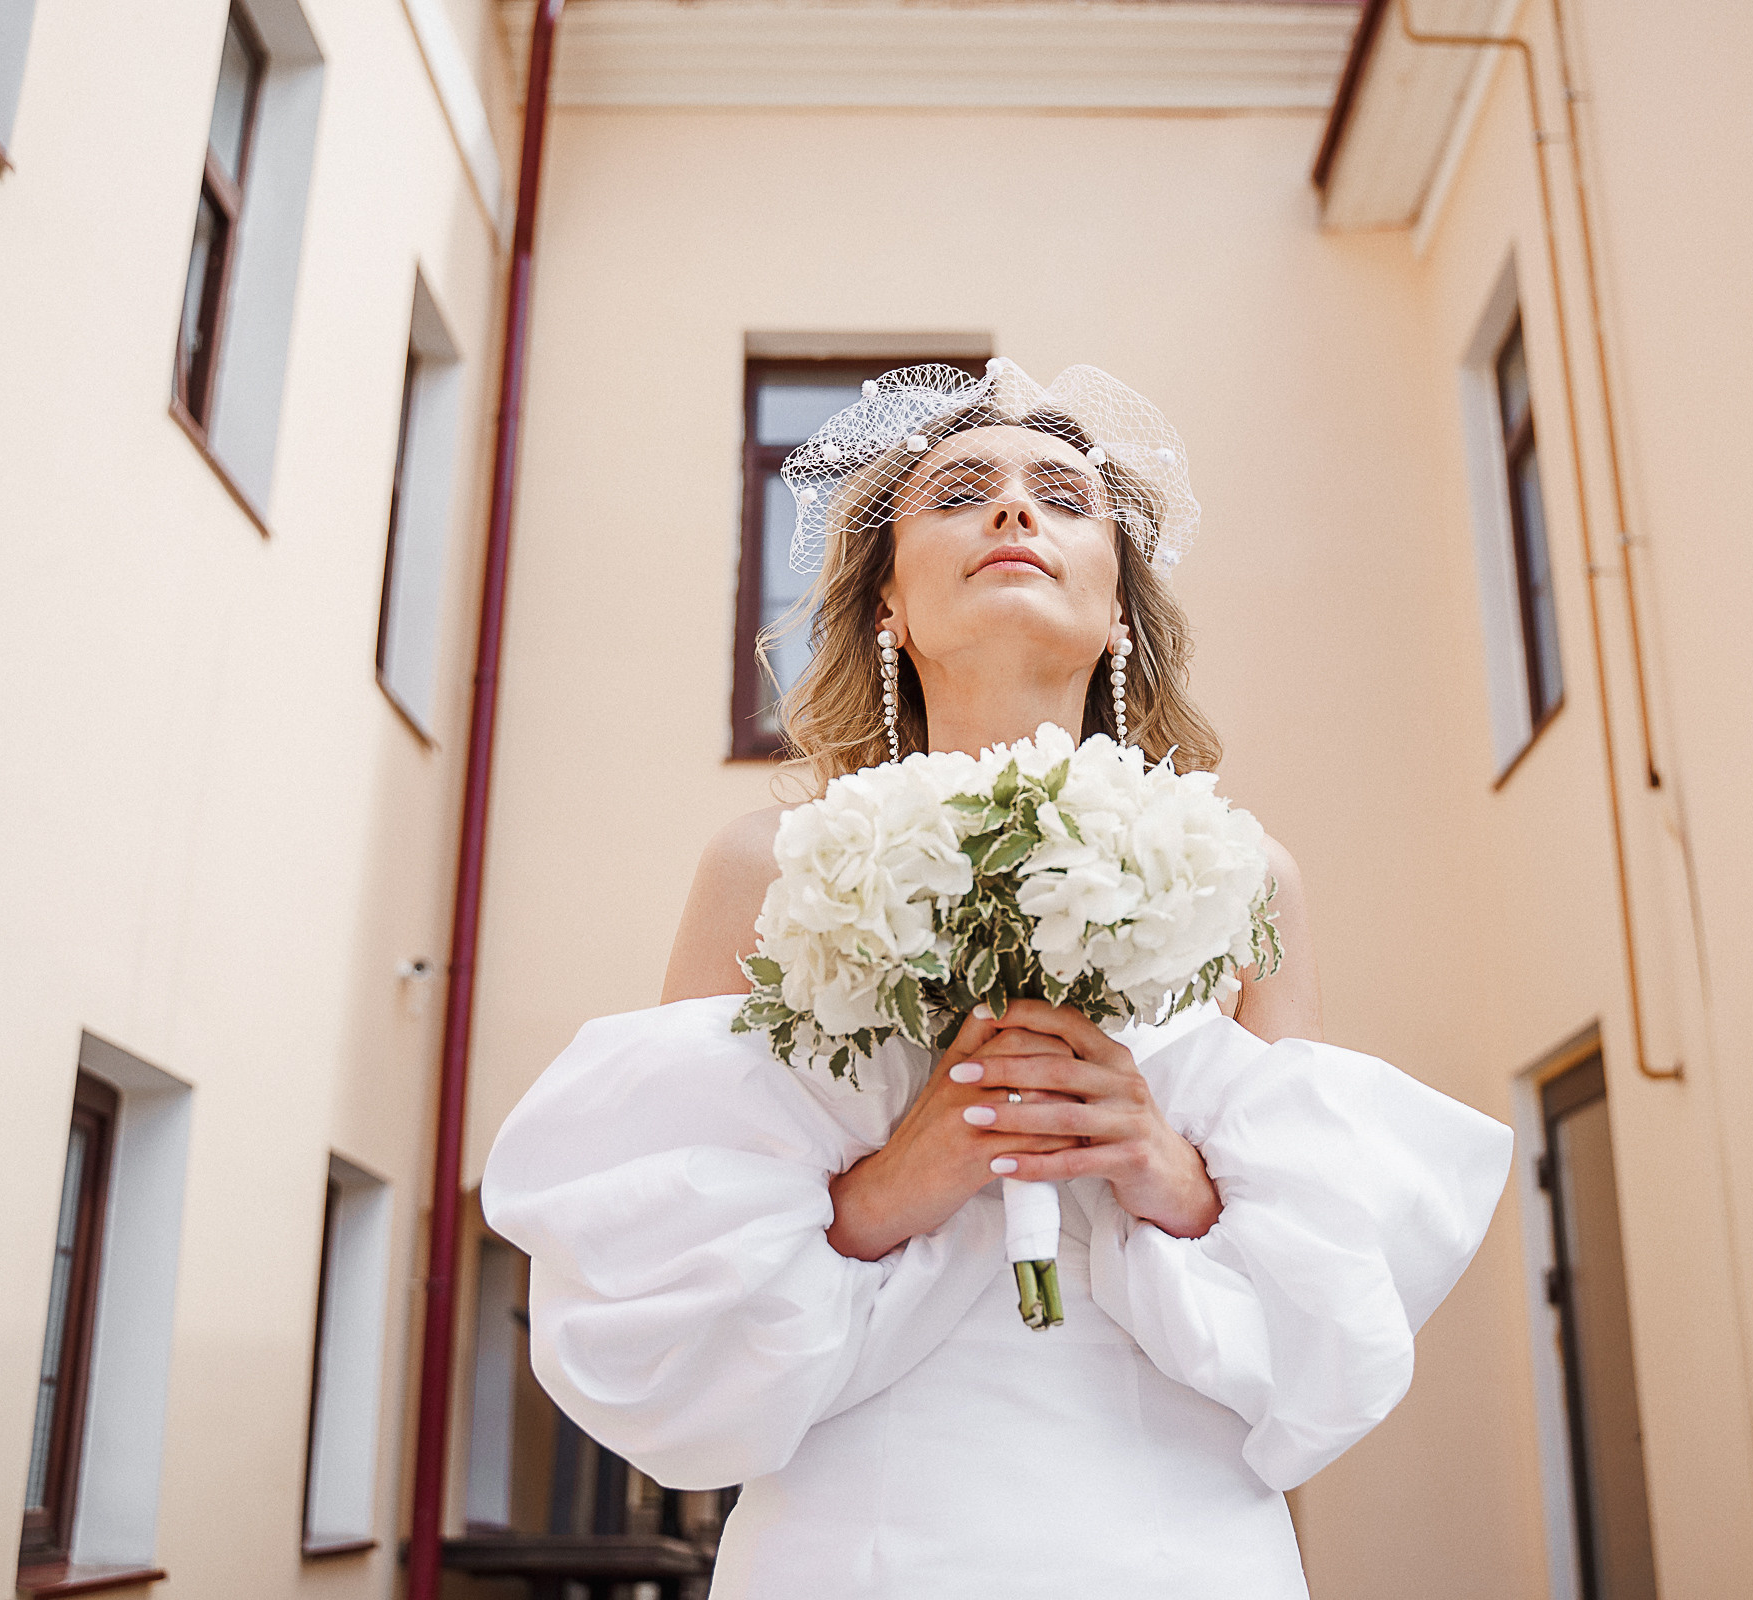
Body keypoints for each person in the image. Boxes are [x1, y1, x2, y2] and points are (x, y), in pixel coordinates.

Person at [482, 361, 1513, 1598]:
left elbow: (1322, 1297)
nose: (1015, 511)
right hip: (859, 1531)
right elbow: (672, 1245)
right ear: (887, 608)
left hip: (1172, 1533)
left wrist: (1162, 1165)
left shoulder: (1247, 877)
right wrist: (895, 1180)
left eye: (1063, 496)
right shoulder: (765, 867)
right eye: (962, 491)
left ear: (1123, 609)